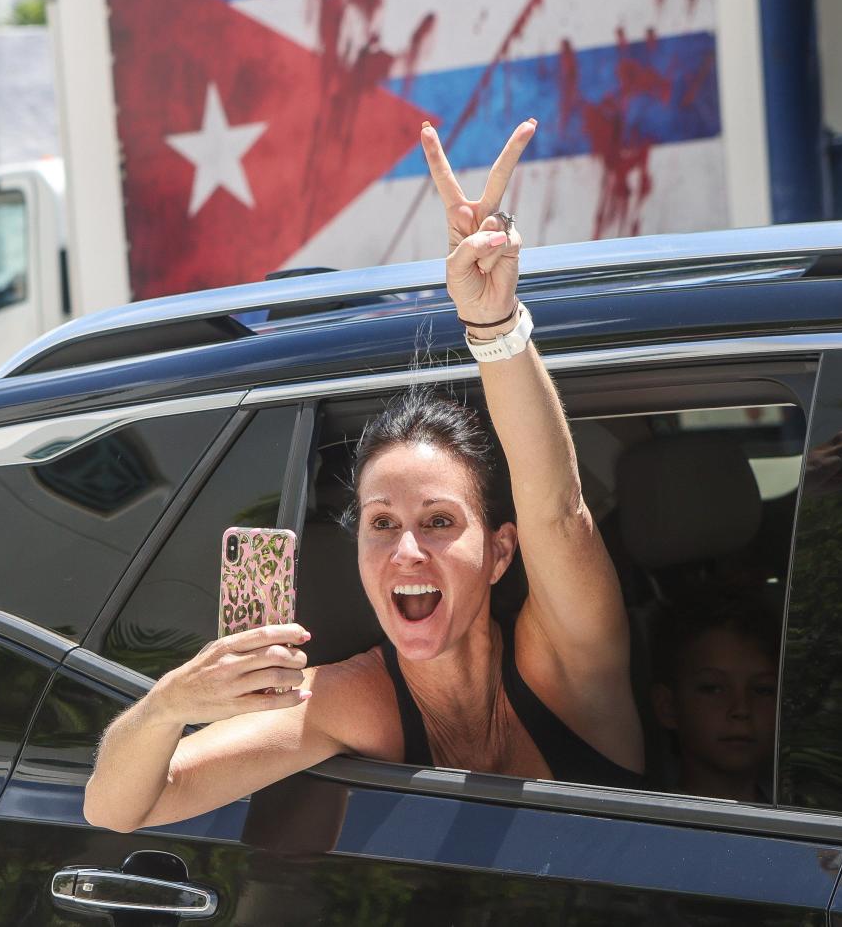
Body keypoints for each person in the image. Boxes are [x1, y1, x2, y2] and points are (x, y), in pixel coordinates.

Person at [83, 120, 644, 833]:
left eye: (439, 521)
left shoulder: (566, 663)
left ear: (502, 551)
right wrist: (169, 704)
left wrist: (493, 322)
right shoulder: (356, 699)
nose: (407, 550)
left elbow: (559, 510)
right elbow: (119, 807)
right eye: (382, 523)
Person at [650, 591, 780, 803]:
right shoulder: (648, 827)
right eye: (712, 688)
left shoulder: (814, 819)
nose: (741, 709)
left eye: (763, 690)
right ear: (668, 707)